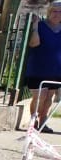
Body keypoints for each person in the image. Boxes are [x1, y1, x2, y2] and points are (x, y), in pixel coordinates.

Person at [26, 2, 61, 132]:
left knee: (50, 97)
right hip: (38, 67)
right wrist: (35, 27)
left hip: (56, 69)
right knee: (40, 95)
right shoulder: (40, 25)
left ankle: (43, 122)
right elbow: (34, 44)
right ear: (49, 12)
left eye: (60, 12)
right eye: (54, 11)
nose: (57, 14)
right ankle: (33, 121)